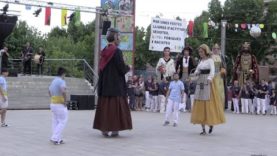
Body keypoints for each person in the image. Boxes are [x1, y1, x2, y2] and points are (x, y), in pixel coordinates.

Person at [93, 28, 132, 137]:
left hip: (105, 86)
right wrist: (128, 67)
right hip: (116, 86)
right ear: (115, 37)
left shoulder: (104, 50)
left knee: (106, 109)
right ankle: (115, 129)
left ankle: (104, 129)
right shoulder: (117, 51)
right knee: (115, 109)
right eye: (119, 36)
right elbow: (121, 69)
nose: (119, 39)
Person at [191, 44, 225, 135]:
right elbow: (197, 71)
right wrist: (193, 76)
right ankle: (203, 129)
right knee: (199, 102)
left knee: (208, 102)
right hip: (200, 82)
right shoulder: (201, 61)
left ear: (205, 52)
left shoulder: (210, 60)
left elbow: (212, 71)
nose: (200, 53)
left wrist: (210, 79)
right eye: (199, 52)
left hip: (208, 82)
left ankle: (210, 122)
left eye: (201, 52)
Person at [48, 67, 68, 145]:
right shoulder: (61, 81)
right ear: (63, 74)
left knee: (55, 121)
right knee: (63, 121)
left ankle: (58, 139)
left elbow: (49, 91)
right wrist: (65, 101)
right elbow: (63, 91)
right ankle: (55, 137)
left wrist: (53, 97)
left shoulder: (53, 81)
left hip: (53, 103)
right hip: (60, 103)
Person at [211, 43, 227, 108]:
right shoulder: (210, 56)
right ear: (212, 49)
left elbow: (224, 66)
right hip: (212, 75)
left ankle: (220, 105)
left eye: (217, 48)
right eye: (214, 48)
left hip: (219, 76)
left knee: (219, 91)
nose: (216, 50)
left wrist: (223, 70)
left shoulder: (221, 56)